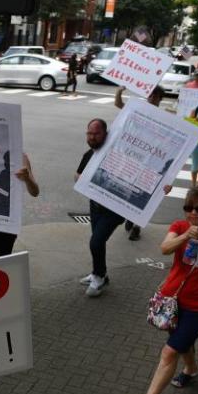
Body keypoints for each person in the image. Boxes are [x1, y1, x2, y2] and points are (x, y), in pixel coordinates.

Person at [133, 188, 198, 394]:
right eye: (188, 207)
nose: (193, 212)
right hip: (173, 302)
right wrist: (186, 236)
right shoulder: (180, 226)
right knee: (181, 342)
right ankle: (191, 370)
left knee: (170, 351)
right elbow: (165, 248)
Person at [76, 118, 122, 297]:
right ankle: (99, 273)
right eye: (89, 133)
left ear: (106, 134)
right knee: (98, 242)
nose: (92, 137)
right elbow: (78, 175)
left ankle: (99, 277)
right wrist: (82, 179)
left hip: (114, 211)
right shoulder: (89, 154)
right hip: (95, 207)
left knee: (95, 242)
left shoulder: (116, 155)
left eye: (96, 134)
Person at [115, 85, 167, 241]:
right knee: (130, 189)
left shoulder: (164, 117)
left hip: (152, 161)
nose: (152, 98)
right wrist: (119, 91)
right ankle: (130, 217)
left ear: (160, 99)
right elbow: (119, 105)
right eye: (150, 95)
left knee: (144, 193)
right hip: (135, 157)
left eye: (155, 96)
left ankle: (137, 226)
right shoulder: (140, 109)